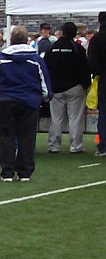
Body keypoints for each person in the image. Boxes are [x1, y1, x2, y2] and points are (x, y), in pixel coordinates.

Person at [0, 26, 52, 182]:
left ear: (11, 40)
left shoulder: (1, 58)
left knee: (5, 136)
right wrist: (46, 97)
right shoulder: (35, 60)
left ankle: (7, 172)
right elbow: (44, 82)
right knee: (27, 137)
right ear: (26, 40)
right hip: (29, 101)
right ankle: (25, 172)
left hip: (4, 100)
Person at [44, 21, 91, 155]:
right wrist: (85, 85)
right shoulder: (77, 48)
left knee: (56, 118)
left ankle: (54, 145)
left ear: (62, 32)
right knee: (75, 118)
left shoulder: (52, 48)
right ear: (74, 33)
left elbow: (46, 68)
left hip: (55, 88)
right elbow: (85, 69)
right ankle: (75, 146)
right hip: (75, 87)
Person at [89, 12, 106, 157]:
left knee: (104, 115)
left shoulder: (96, 40)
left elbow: (92, 64)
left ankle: (103, 146)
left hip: (103, 81)